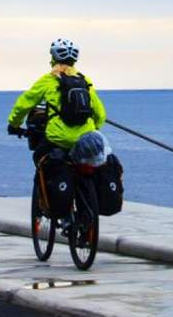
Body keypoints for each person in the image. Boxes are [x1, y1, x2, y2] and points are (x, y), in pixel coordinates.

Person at [7, 38, 108, 223]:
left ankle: (60, 209)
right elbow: (100, 114)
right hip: (86, 137)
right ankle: (86, 208)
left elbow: (24, 103)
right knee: (86, 167)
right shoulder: (85, 80)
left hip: (58, 139)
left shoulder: (48, 80)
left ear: (53, 58)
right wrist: (92, 128)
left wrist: (14, 124)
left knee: (40, 158)